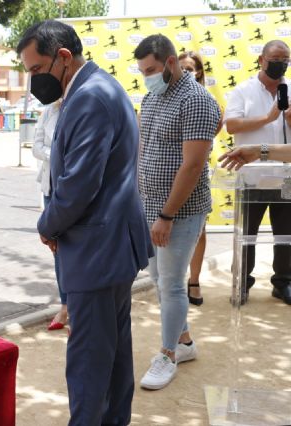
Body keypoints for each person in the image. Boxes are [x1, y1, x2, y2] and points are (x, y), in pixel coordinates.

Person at [18, 20, 152, 424]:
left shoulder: (89, 97)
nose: (33, 82)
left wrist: (48, 224)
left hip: (96, 251)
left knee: (90, 365)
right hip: (109, 248)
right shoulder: (97, 88)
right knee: (110, 357)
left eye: (36, 71)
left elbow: (78, 185)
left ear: (62, 57)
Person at [135, 35, 221, 390]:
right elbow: (143, 149)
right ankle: (184, 341)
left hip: (179, 213)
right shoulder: (153, 96)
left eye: (152, 70)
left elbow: (193, 165)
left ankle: (167, 355)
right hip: (151, 207)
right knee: (158, 280)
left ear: (170, 62)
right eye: (142, 71)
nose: (147, 77)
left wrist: (167, 215)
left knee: (171, 285)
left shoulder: (197, 101)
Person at [223, 40, 291, 305]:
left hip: (287, 176)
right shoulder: (243, 90)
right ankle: (242, 283)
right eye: (275, 58)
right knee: (246, 234)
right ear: (262, 59)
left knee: (286, 233)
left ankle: (283, 282)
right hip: (252, 175)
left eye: (285, 59)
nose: (280, 64)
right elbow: (231, 125)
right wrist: (268, 117)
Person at [32, 100, 68, 331]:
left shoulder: (81, 107)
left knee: (75, 251)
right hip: (50, 189)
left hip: (73, 193)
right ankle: (66, 305)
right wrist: (54, 154)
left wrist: (53, 153)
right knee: (57, 252)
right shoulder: (48, 112)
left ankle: (79, 307)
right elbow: (36, 147)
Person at [179, 50, 207, 306]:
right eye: (181, 68)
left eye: (189, 68)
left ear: (198, 71)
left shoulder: (206, 101)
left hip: (195, 176)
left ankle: (194, 280)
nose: (185, 72)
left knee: (199, 231)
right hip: (169, 176)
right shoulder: (164, 97)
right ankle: (174, 283)